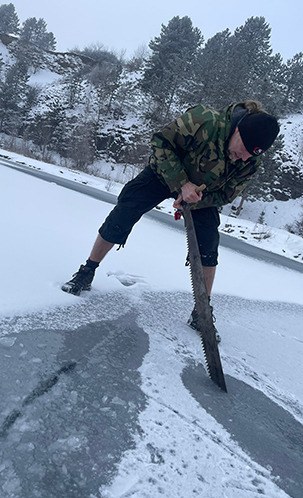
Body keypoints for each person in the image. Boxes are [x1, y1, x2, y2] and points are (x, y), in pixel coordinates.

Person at [62, 100, 279, 336]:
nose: (243, 159)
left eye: (250, 156)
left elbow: (227, 193)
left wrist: (194, 197)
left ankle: (201, 310)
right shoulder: (203, 119)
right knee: (122, 214)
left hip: (200, 195)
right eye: (243, 150)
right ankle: (87, 271)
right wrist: (181, 184)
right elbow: (160, 142)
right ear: (237, 131)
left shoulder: (251, 159)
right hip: (163, 174)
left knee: (208, 245)